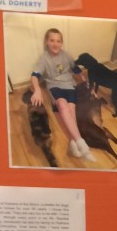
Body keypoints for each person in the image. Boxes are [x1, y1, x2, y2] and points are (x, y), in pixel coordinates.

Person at [29, 28, 95, 162]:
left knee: (71, 110)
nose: (55, 44)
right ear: (47, 42)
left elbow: (76, 69)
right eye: (52, 40)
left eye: (58, 41)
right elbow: (35, 75)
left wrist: (84, 81)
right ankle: (82, 144)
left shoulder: (66, 55)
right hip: (54, 86)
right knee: (62, 105)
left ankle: (72, 143)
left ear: (61, 43)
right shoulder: (44, 59)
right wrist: (37, 90)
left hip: (69, 85)